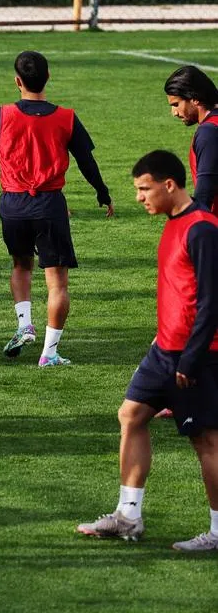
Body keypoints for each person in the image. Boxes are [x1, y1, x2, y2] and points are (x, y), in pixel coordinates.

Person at [77, 150, 218, 551]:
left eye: (144, 188)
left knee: (206, 441)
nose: (139, 197)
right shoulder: (173, 224)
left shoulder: (203, 229)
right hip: (164, 350)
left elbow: (211, 300)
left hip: (196, 354)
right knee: (131, 414)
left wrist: (191, 356)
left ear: (169, 184)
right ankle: (128, 517)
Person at [0, 51, 114, 367]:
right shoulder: (67, 117)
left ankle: (25, 325)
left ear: (17, 81)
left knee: (21, 266)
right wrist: (102, 193)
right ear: (48, 77)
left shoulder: (0, 115)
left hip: (12, 205)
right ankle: (49, 352)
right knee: (57, 283)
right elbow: (87, 161)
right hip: (49, 205)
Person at [165, 65, 218, 212]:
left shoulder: (209, 132)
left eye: (176, 104)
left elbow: (205, 191)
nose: (174, 112)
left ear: (194, 98)